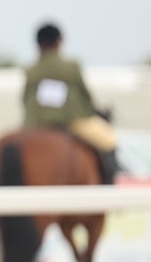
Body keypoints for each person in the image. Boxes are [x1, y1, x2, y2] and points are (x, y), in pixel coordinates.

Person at [23, 23, 119, 184]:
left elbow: (25, 99)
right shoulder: (71, 67)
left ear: (38, 44)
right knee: (109, 140)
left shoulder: (31, 70)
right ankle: (108, 186)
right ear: (59, 41)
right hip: (72, 121)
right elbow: (85, 97)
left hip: (36, 124)